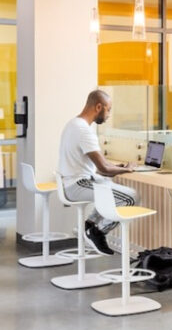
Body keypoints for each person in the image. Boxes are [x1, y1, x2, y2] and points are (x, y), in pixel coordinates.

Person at [58, 89, 139, 255]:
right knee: (132, 197)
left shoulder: (74, 124)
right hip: (77, 184)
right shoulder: (84, 131)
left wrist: (119, 167)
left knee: (106, 184)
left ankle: (90, 224)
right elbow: (104, 169)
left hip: (72, 181)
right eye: (108, 109)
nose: (109, 115)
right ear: (99, 107)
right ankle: (98, 232)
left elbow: (100, 163)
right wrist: (128, 170)